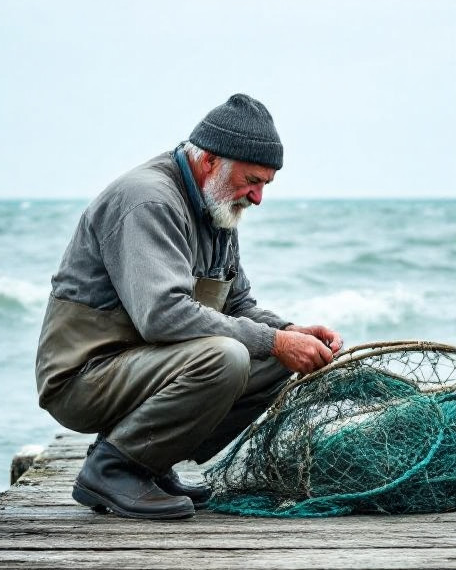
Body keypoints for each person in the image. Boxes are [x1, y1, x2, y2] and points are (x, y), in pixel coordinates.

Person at [35, 93, 343, 520]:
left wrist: (293, 334)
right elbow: (163, 316)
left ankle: (152, 463)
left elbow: (237, 304)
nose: (257, 198)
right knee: (229, 357)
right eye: (252, 181)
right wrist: (274, 340)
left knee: (279, 360)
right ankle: (113, 469)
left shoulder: (219, 206)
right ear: (211, 160)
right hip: (84, 376)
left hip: (142, 364)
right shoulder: (149, 200)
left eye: (265, 185)